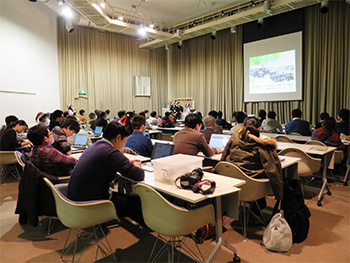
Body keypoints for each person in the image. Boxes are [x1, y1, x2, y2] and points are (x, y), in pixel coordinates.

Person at [67, 121, 145, 224]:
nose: (123, 145)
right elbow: (138, 175)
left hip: (73, 199)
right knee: (136, 201)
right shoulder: (111, 152)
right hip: (89, 203)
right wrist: (136, 166)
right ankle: (151, 228)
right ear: (118, 138)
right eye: (124, 141)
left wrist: (125, 163)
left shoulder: (95, 146)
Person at [221, 117, 283, 200]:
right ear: (258, 129)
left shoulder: (233, 138)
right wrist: (279, 195)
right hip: (255, 186)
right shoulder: (263, 145)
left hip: (234, 182)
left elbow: (223, 158)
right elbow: (272, 170)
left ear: (243, 127)